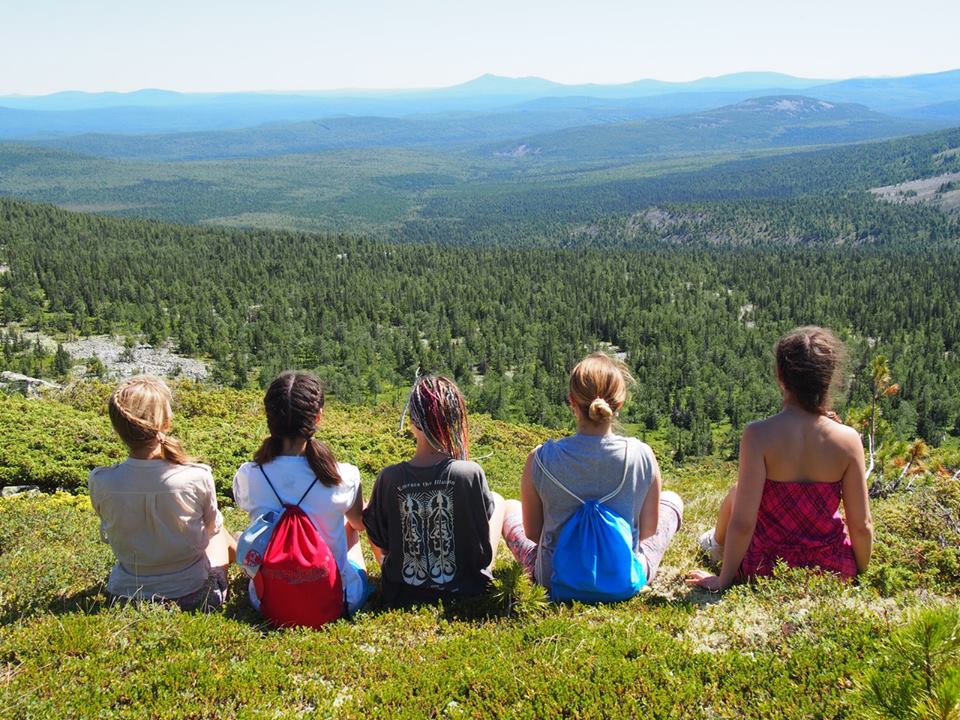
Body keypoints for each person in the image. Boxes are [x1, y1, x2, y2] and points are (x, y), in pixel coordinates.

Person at [687, 326, 873, 593]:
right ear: (828, 378)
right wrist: (860, 576)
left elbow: (742, 522)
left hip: (765, 566)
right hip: (831, 568)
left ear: (780, 376)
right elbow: (862, 525)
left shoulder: (758, 435)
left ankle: (715, 547)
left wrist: (724, 579)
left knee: (737, 493)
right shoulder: (848, 440)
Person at [502, 352, 683, 595]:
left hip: (553, 577)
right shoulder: (642, 455)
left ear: (571, 402)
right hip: (622, 576)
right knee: (672, 501)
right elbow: (649, 531)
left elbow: (533, 533)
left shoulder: (541, 458)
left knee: (508, 507)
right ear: (619, 404)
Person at [89, 375, 234, 611]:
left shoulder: (101, 480)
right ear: (165, 424)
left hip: (124, 596)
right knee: (220, 531)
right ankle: (256, 568)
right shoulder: (197, 475)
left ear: (118, 428)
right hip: (193, 593)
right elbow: (211, 530)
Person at [233, 371, 371, 616]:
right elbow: (359, 524)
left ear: (270, 419)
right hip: (338, 600)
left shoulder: (249, 475)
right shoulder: (345, 476)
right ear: (317, 418)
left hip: (267, 601)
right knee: (349, 527)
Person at [363, 373, 505, 607]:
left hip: (401, 594)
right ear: (454, 421)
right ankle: (482, 571)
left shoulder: (389, 477)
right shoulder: (469, 473)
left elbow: (377, 533)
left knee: (374, 510)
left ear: (412, 423)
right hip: (467, 590)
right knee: (498, 501)